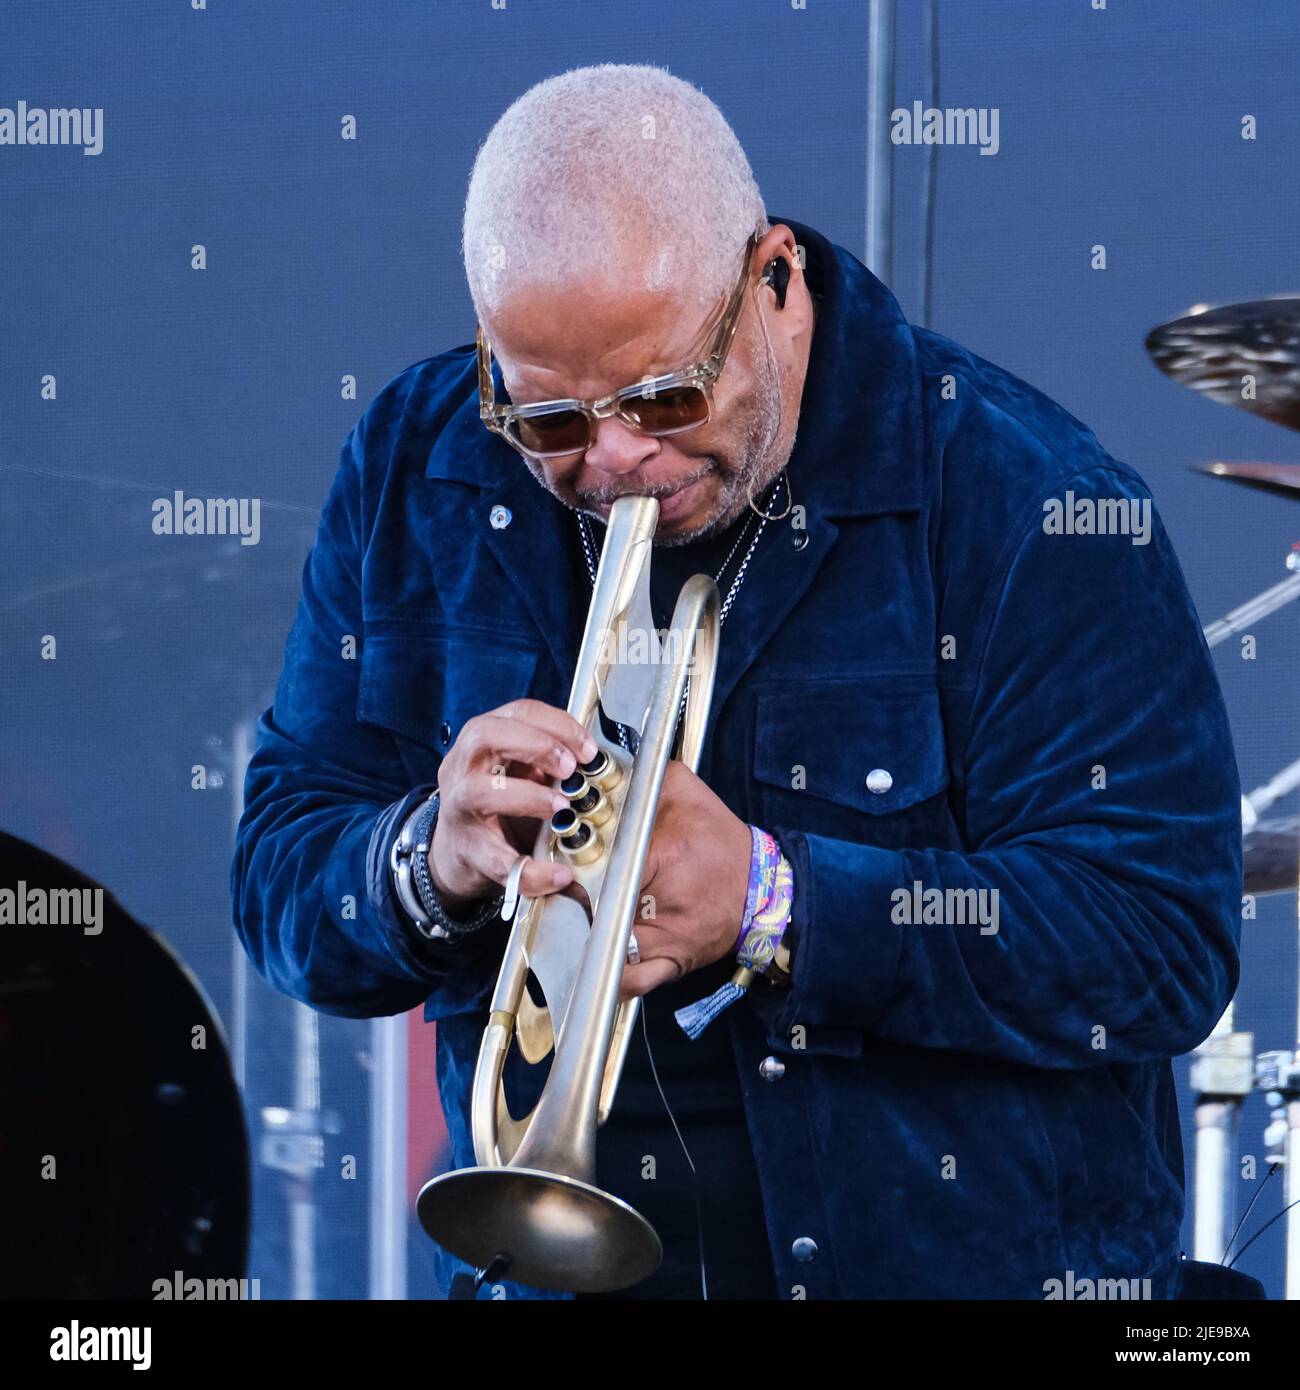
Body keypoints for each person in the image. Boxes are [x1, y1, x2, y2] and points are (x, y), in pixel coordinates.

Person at [232, 63, 1242, 1300]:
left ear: (771, 278)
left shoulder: (1026, 499)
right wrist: (427, 862)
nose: (613, 464)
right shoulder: (416, 460)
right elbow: (280, 873)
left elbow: (1160, 942)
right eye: (548, 420)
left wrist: (778, 904)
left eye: (665, 395)